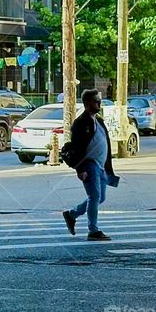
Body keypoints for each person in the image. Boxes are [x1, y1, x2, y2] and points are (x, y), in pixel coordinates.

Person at [62, 89, 117, 241]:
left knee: (100, 197)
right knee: (94, 196)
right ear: (87, 103)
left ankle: (71, 214)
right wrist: (80, 168)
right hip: (89, 164)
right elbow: (77, 147)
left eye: (99, 100)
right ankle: (93, 230)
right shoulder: (81, 123)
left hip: (100, 165)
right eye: (95, 101)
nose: (99, 103)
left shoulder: (98, 120)